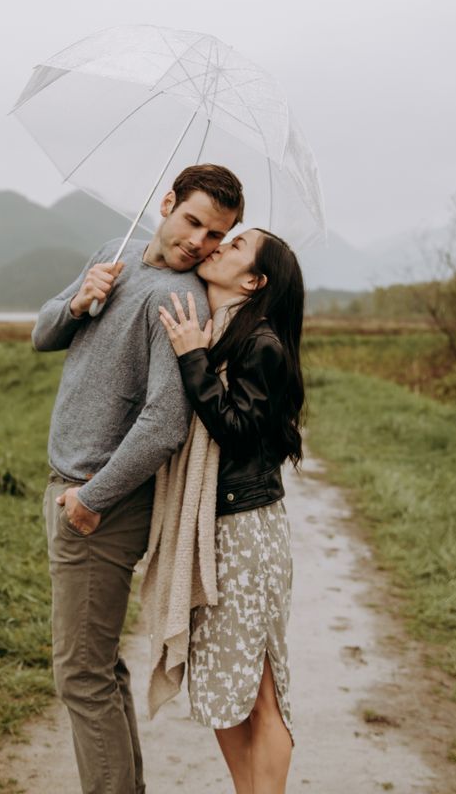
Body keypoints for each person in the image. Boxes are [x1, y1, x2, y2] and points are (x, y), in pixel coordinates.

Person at [32, 164, 244, 794]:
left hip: (98, 501)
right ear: (167, 202)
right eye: (194, 222)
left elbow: (163, 422)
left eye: (217, 235)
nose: (200, 243)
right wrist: (77, 300)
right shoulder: (114, 252)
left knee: (80, 676)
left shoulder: (175, 299)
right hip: (69, 484)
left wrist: (91, 501)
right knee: (99, 671)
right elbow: (41, 335)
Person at [158, 227, 305, 794]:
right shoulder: (218, 332)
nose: (218, 245)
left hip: (247, 533)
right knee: (221, 686)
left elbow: (239, 432)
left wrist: (193, 360)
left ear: (253, 281)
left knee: (261, 692)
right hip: (212, 531)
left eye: (236, 245)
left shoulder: (258, 342)